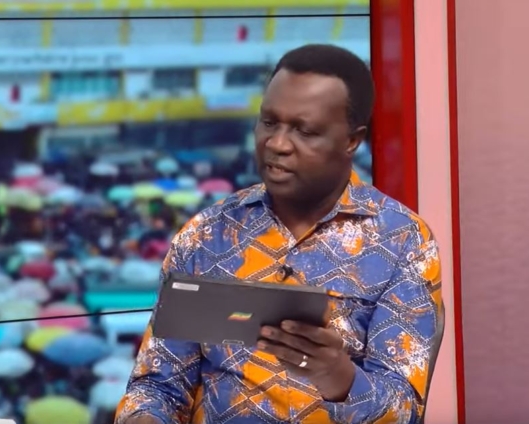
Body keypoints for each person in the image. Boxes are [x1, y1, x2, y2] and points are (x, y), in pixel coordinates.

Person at [116, 44, 444, 424]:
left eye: (304, 131)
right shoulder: (204, 235)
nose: (277, 144)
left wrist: (340, 379)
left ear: (352, 140)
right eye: (269, 122)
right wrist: (144, 417)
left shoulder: (403, 241)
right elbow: (157, 386)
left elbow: (404, 411)